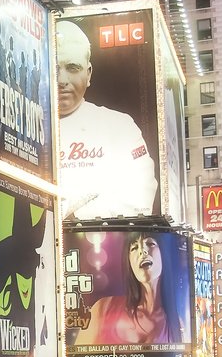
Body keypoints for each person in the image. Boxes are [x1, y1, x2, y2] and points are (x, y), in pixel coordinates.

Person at [54, 20, 157, 221]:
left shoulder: (120, 127)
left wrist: (75, 214)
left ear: (89, 73)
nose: (61, 80)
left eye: (73, 68)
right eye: (54, 68)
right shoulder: (20, 130)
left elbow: (139, 196)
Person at [75, 233, 183, 347]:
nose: (142, 251)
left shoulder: (176, 323)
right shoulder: (103, 308)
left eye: (150, 243)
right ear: (129, 262)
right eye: (134, 248)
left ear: (164, 253)